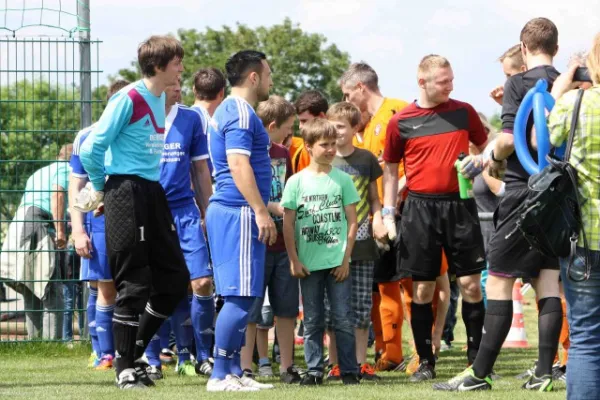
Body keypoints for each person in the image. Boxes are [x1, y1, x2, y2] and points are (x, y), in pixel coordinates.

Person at [437, 17, 563, 392]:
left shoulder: (518, 82)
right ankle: (544, 371)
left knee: (501, 282)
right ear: (554, 47)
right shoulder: (571, 85)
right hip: (557, 196)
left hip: (523, 191)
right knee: (548, 282)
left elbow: (508, 140)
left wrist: (486, 155)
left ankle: (479, 374)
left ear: (523, 48)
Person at [78, 35, 189, 389]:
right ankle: (124, 369)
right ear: (158, 67)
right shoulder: (129, 98)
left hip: (152, 192)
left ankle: (133, 352)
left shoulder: (160, 98)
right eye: (176, 63)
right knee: (134, 282)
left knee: (173, 281)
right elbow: (94, 147)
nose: (181, 69)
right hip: (124, 190)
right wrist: (101, 189)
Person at [383, 55, 489, 382]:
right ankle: (425, 362)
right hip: (419, 210)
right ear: (422, 82)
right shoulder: (400, 121)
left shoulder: (464, 111)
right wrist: (388, 212)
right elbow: (389, 170)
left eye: (451, 79)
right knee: (423, 291)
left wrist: (480, 162)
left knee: (471, 285)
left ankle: (477, 362)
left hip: (460, 205)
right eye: (443, 81)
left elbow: (486, 147)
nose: (450, 86)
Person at [204, 50, 275, 392]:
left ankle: (233, 369)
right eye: (269, 73)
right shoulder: (241, 114)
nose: (271, 80)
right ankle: (220, 374)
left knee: (241, 296)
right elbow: (238, 164)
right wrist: (260, 211)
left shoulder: (229, 110)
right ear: (253, 77)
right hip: (238, 212)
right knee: (239, 296)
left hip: (234, 211)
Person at [339, 62, 412, 372]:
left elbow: (412, 164)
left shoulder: (400, 111)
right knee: (381, 286)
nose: (344, 100)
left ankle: (422, 352)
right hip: (375, 217)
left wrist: (390, 206)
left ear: (360, 88)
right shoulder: (365, 126)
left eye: (346, 93)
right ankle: (388, 352)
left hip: (404, 211)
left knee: (411, 284)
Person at [281, 118, 361, 386]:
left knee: (342, 318)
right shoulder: (295, 182)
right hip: (308, 264)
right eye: (323, 144)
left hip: (337, 263)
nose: (330, 149)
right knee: (313, 320)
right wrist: (294, 259)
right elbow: (288, 223)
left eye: (332, 144)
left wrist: (345, 258)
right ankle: (314, 370)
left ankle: (349, 370)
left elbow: (353, 222)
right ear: (308, 146)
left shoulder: (343, 180)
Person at [145, 77, 214, 378]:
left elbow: (200, 169)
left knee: (202, 282)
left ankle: (204, 356)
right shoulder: (140, 115)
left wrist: (209, 212)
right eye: (172, 83)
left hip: (185, 211)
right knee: (149, 285)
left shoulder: (191, 118)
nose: (178, 88)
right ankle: (150, 358)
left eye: (180, 84)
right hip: (149, 211)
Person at [548, 32, 600, 400]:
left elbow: (538, 139)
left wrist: (560, 88)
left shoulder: (575, 103)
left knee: (585, 339)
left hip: (583, 239)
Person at [240, 95, 302, 384]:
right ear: (274, 125)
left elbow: (288, 191)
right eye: (288, 128)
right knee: (251, 309)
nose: (290, 134)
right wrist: (266, 208)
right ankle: (245, 367)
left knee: (287, 308)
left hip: (283, 243)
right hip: (254, 241)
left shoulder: (283, 153)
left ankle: (288, 366)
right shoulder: (246, 152)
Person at [69, 79, 130, 370]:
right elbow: (76, 188)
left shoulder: (139, 134)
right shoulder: (88, 136)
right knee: (103, 285)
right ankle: (103, 351)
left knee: (133, 285)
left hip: (135, 217)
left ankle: (139, 351)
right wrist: (78, 230)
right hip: (101, 219)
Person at [328, 101, 387, 380]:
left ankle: (362, 363)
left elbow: (375, 199)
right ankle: (335, 363)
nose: (335, 131)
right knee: (333, 307)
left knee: (361, 306)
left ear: (354, 128)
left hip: (363, 247)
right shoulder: (324, 161)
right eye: (332, 125)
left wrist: (378, 220)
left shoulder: (366, 160)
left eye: (341, 126)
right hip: (330, 247)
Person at [0, 144, 72, 340]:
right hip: (36, 223)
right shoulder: (67, 169)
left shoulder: (40, 172)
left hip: (19, 225)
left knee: (31, 288)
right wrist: (60, 231)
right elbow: (57, 194)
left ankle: (35, 342)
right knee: (51, 290)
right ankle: (52, 344)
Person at [290, 90, 329, 173]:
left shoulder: (344, 144)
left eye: (304, 121)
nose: (300, 126)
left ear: (321, 116)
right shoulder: (303, 150)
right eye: (300, 121)